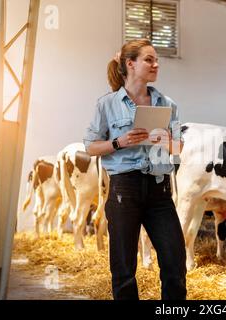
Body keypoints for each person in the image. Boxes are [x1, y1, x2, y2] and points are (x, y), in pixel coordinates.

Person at [83, 39, 186, 300]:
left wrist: (164, 139)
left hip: (159, 190)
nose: (156, 64)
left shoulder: (167, 102)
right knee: (124, 269)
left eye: (156, 60)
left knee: (174, 263)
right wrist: (120, 142)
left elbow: (178, 148)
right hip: (123, 191)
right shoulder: (106, 104)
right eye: (149, 59)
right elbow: (90, 147)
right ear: (131, 64)